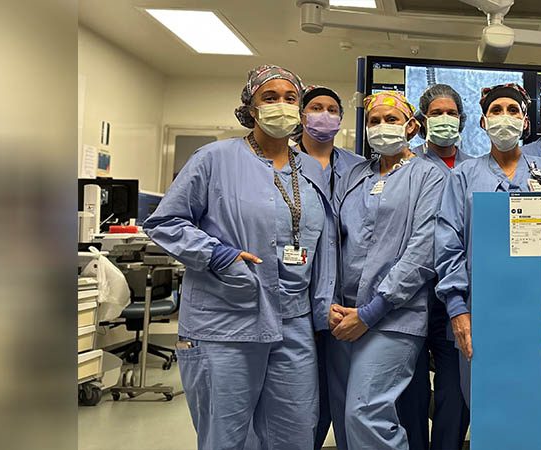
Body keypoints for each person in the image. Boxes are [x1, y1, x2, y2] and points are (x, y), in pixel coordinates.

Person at [143, 64, 334, 450]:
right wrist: (218, 255)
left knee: (295, 433)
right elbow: (164, 222)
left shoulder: (311, 170)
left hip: (294, 323)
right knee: (226, 437)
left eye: (289, 98)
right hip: (227, 319)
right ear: (250, 107)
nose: (281, 105)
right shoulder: (215, 158)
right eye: (270, 98)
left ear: (300, 110)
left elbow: (324, 243)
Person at [435, 82, 541, 443]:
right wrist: (458, 309)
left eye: (513, 110)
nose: (505, 117)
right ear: (484, 122)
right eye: (496, 111)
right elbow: (447, 245)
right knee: (488, 416)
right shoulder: (464, 177)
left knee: (538, 417)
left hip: (540, 319)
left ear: (526, 121)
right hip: (478, 319)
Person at [325, 90, 446, 449]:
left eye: (391, 120)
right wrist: (329, 302)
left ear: (411, 127)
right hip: (342, 318)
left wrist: (373, 309)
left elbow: (423, 251)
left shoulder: (429, 176)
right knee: (345, 421)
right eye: (374, 121)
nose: (381, 127)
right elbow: (333, 240)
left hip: (393, 317)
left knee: (365, 414)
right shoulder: (354, 175)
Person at [292, 84, 366, 450]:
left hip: (343, 299)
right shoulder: (282, 162)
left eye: (332, 109)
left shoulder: (357, 167)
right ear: (302, 115)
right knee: (299, 404)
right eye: (316, 107)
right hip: (292, 295)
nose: (325, 115)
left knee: (345, 397)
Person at [399, 83, 472, 450]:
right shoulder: (405, 166)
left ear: (463, 118)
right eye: (437, 113)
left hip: (454, 299)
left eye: (452, 113)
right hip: (410, 295)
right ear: (422, 120)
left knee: (453, 391)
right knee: (410, 391)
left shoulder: (477, 169)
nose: (445, 120)